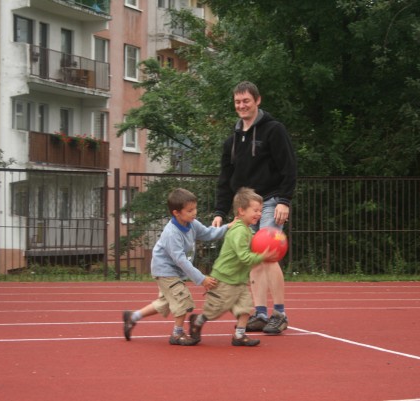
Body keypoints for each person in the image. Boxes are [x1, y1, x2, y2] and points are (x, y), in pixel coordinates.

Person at [212, 81, 297, 335]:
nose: (241, 106)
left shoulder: (274, 130)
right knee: (253, 261)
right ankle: (260, 314)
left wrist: (285, 200)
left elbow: (289, 167)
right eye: (237, 102)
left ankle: (279, 313)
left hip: (271, 200)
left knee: (268, 254)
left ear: (257, 101)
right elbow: (225, 180)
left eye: (246, 101)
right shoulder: (232, 141)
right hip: (245, 206)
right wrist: (219, 211)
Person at [122, 188, 234, 345]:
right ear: (176, 213)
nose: (194, 213)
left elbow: (209, 234)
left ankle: (132, 317)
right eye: (190, 210)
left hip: (174, 271)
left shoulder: (192, 224)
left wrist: (228, 227)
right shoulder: (172, 233)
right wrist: (201, 279)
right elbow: (181, 260)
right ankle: (177, 334)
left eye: (195, 208)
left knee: (166, 302)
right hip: (165, 270)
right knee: (182, 299)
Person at [189, 187, 279, 346]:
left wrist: (269, 242)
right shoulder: (239, 231)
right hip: (224, 279)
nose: (259, 214)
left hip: (238, 280)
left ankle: (239, 335)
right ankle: (198, 321)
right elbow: (244, 257)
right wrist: (263, 256)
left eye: (261, 210)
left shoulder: (247, 230)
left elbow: (253, 245)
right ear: (241, 211)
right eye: (256, 210)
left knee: (245, 308)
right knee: (215, 310)